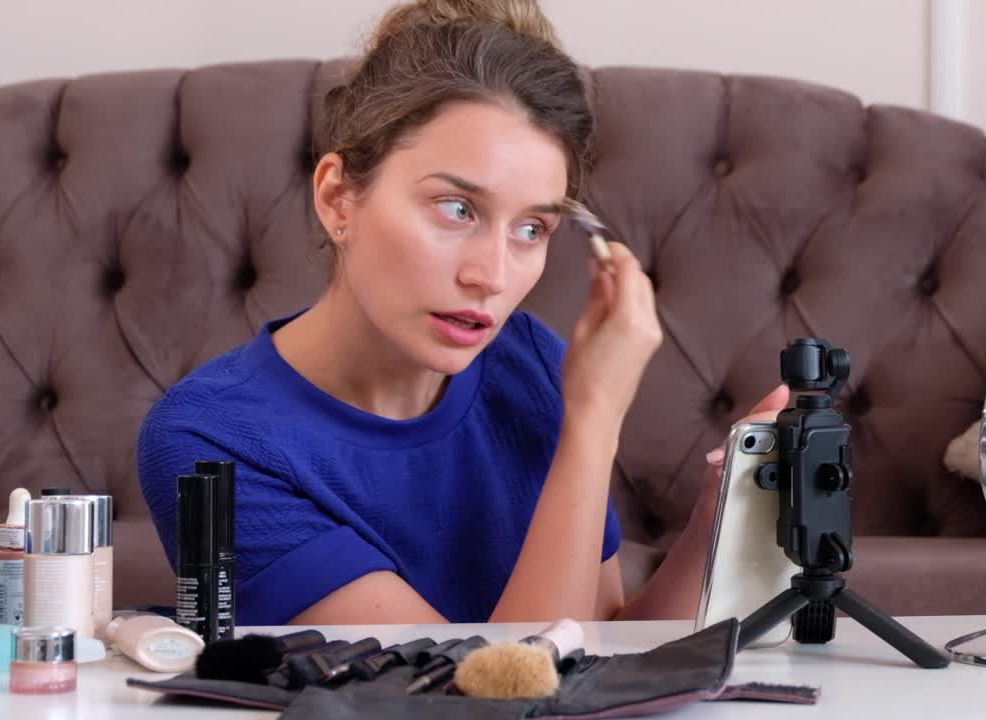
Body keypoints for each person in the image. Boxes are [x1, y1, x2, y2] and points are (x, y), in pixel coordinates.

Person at [137, 0, 789, 627]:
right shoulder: (211, 442)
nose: (492, 276)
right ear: (338, 198)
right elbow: (497, 685)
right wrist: (593, 423)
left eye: (531, 229)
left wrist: (720, 517)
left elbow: (601, 643)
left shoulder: (534, 366)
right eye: (457, 209)